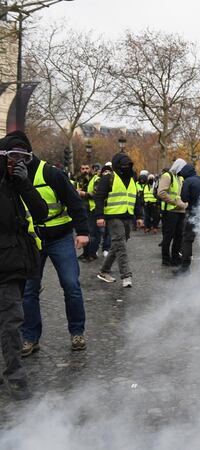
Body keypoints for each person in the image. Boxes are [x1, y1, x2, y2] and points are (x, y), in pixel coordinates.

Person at [11, 131, 91, 356]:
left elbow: (74, 203)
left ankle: (77, 332)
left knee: (71, 286)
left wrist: (83, 232)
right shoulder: (11, 175)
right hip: (31, 240)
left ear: (28, 153)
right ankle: (30, 338)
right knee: (29, 290)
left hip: (60, 237)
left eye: (19, 155)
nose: (15, 160)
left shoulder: (51, 173)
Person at [0, 141, 47, 399]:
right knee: (11, 319)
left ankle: (14, 372)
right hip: (5, 261)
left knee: (10, 317)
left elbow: (40, 212)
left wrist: (24, 184)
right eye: (12, 157)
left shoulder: (18, 184)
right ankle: (16, 375)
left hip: (16, 261)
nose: (16, 163)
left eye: (22, 158)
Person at [94, 152, 144, 287]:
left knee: (117, 245)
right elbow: (98, 197)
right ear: (117, 165)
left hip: (128, 217)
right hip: (113, 217)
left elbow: (137, 199)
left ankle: (104, 271)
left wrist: (139, 216)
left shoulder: (132, 179)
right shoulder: (108, 178)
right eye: (124, 165)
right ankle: (126, 276)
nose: (126, 167)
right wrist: (100, 216)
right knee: (121, 246)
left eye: (128, 165)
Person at [175, 162, 200, 274]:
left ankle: (185, 268)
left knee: (187, 239)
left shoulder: (188, 181)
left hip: (194, 214)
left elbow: (184, 198)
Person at [158, 159, 187, 266]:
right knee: (168, 236)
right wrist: (175, 202)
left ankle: (175, 257)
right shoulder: (167, 176)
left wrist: (184, 204)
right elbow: (161, 193)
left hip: (180, 211)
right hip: (170, 211)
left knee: (179, 236)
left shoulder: (180, 178)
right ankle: (165, 259)